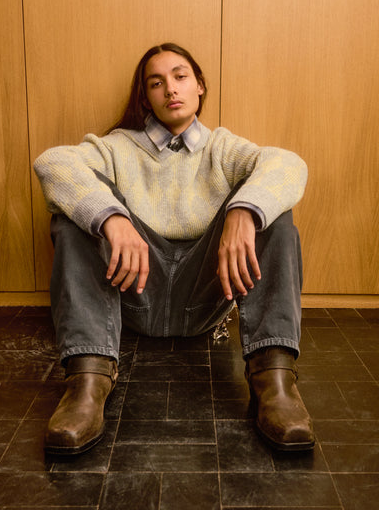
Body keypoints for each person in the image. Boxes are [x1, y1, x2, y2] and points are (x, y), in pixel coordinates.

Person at [34, 42, 314, 456]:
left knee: (271, 207)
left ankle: (274, 381)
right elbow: (52, 162)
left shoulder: (223, 148)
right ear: (145, 97)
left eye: (180, 77)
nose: (170, 89)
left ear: (199, 86)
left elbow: (289, 164)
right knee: (74, 214)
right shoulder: (117, 147)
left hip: (204, 296)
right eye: (156, 83)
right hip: (134, 294)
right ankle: (86, 383)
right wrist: (111, 217)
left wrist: (244, 211)